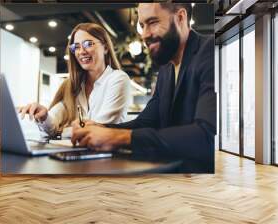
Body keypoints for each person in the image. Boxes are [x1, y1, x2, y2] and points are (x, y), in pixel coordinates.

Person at [71, 3, 216, 173]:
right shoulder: (166, 68)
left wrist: (121, 137)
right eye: (142, 26)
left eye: (153, 22)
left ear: (180, 17)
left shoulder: (210, 52)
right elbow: (147, 122)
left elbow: (206, 136)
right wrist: (101, 128)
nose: (145, 34)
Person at [19, 23, 131, 138]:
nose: (81, 51)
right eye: (76, 47)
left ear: (106, 48)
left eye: (88, 44)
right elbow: (52, 125)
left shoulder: (118, 79)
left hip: (109, 154)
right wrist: (44, 116)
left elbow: (97, 130)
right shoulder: (73, 85)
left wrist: (62, 132)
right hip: (77, 153)